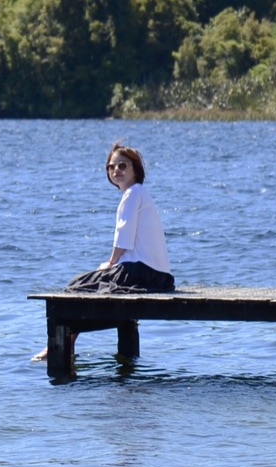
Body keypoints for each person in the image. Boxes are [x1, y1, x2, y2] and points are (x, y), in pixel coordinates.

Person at [34, 142, 174, 361]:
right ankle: (68, 343)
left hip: (141, 271)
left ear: (135, 170)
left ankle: (63, 345)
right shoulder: (140, 194)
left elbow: (123, 239)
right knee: (85, 285)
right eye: (111, 167)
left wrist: (110, 264)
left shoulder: (132, 195)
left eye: (123, 166)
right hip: (158, 275)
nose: (116, 170)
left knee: (77, 285)